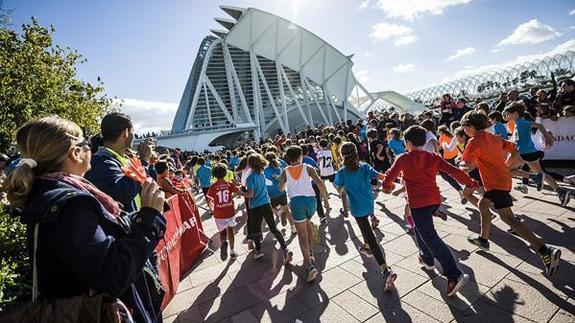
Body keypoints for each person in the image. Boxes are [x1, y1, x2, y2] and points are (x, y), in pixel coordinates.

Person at [3, 116, 166, 322]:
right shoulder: (69, 205)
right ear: (75, 153)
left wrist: (135, 217)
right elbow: (113, 274)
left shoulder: (50, 194)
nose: (91, 147)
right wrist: (150, 218)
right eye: (85, 143)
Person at [460, 111, 562, 278]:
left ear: (470, 126)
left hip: (495, 184)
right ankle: (483, 239)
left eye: (464, 128)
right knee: (482, 205)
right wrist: (506, 165)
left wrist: (466, 165)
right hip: (501, 180)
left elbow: (467, 164)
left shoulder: (473, 142)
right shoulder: (493, 138)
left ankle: (545, 250)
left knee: (508, 218)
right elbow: (515, 149)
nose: (464, 131)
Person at [381, 125, 478, 297]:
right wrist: (470, 182)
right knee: (420, 229)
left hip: (419, 204)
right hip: (434, 200)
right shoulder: (433, 156)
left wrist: (386, 187)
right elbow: (453, 170)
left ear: (408, 142)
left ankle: (454, 274)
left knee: (430, 237)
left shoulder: (403, 158)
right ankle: (427, 259)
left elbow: (390, 175)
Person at [334, 142, 397, 292]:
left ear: (342, 155)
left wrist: (342, 189)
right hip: (369, 203)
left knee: (368, 234)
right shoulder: (364, 166)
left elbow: (339, 188)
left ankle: (385, 270)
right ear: (356, 152)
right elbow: (380, 176)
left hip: (357, 207)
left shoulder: (342, 171)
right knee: (368, 233)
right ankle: (367, 247)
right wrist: (391, 182)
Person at [278, 146, 329, 282]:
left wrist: (285, 181)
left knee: (302, 235)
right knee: (307, 224)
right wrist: (326, 200)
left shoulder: (286, 171)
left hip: (297, 203)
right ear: (300, 156)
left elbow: (280, 188)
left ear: (288, 158)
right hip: (311, 202)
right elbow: (319, 183)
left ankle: (309, 266)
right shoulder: (307, 167)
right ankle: (310, 252)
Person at [503, 103, 570, 206]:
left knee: (543, 174)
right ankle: (552, 187)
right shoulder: (518, 123)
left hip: (528, 154)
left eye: (509, 114)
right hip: (523, 153)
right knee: (509, 170)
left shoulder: (522, 123)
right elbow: (517, 139)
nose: (507, 116)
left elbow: (539, 125)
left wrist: (547, 136)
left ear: (516, 113)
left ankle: (559, 191)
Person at [238, 153, 293, 262]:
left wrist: (240, 193)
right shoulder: (261, 175)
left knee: (256, 230)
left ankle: (258, 251)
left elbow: (250, 194)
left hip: (255, 206)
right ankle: (285, 249)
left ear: (250, 165)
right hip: (266, 204)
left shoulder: (250, 178)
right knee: (274, 228)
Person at [85, 112, 141, 213]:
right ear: (125, 133)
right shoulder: (102, 161)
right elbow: (121, 193)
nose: (134, 135)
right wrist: (144, 161)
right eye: (133, 131)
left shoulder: (120, 158)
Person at [206, 163, 239, 260]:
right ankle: (232, 252)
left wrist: (212, 209)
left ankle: (224, 243)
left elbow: (209, 200)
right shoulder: (229, 184)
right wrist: (231, 198)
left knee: (222, 232)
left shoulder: (213, 187)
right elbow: (237, 192)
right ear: (225, 174)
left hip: (219, 213)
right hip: (229, 211)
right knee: (231, 231)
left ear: (214, 175)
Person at [264, 152, 297, 236]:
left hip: (271, 194)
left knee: (272, 208)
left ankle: (279, 213)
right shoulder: (279, 168)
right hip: (281, 191)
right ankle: (293, 228)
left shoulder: (265, 170)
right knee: (287, 210)